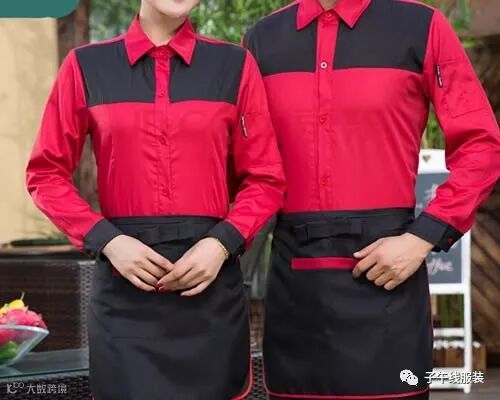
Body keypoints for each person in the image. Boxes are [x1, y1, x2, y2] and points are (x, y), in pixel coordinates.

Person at [25, 0, 286, 399]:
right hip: (124, 295)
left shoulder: (234, 66)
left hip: (210, 293)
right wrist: (109, 241)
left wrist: (221, 244)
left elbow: (265, 178)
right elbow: (45, 174)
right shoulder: (86, 66)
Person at [243, 0, 500, 399]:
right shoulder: (263, 40)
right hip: (296, 294)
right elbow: (242, 165)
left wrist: (423, 237)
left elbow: (482, 146)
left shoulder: (421, 26)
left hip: (390, 281)